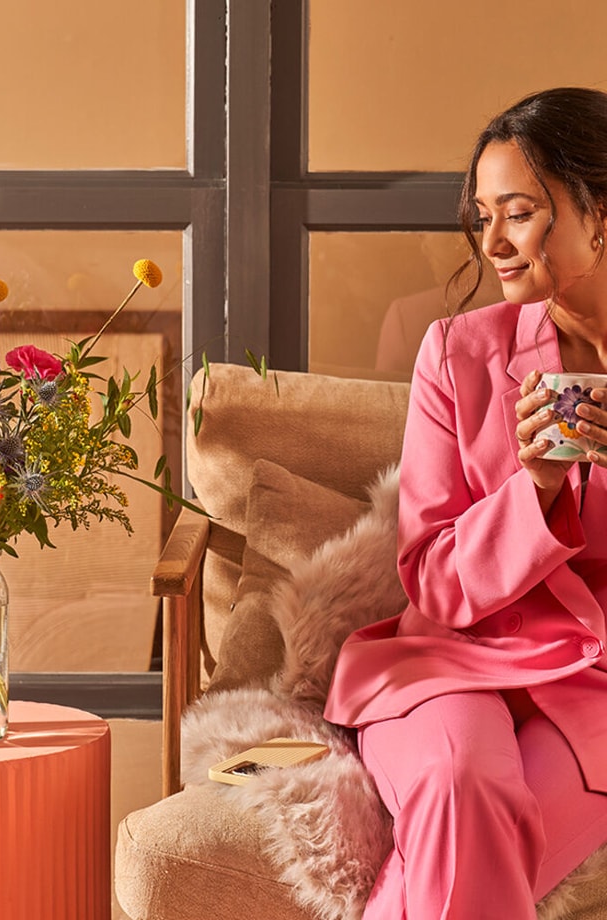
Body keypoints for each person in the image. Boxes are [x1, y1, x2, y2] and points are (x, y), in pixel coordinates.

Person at [324, 86, 607, 919]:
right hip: (450, 661)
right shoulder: (458, 353)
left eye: (518, 213)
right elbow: (435, 583)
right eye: (482, 217)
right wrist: (538, 488)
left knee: (471, 842)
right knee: (459, 780)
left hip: (593, 682)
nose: (492, 244)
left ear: (599, 213)